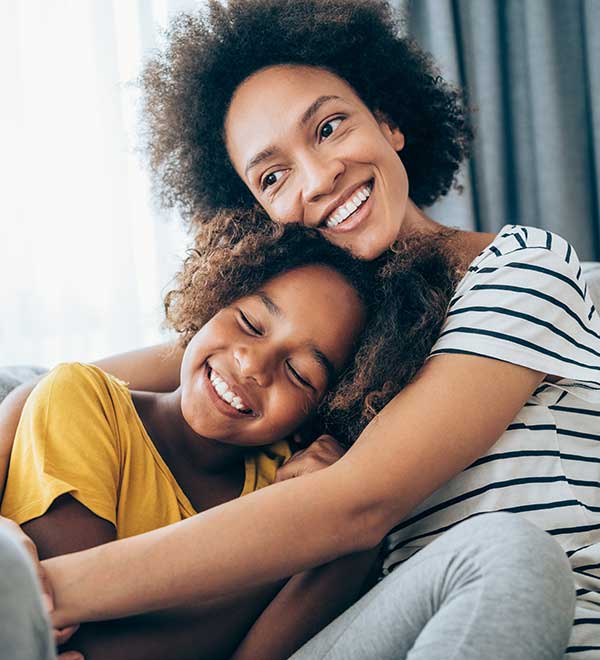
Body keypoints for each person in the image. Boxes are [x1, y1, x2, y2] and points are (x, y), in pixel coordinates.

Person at [0, 0, 582, 658]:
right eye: (272, 175)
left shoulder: (523, 267)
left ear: (388, 119)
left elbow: (359, 504)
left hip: (508, 609)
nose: (319, 175)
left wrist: (35, 593)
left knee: (510, 553)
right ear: (259, 211)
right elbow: (58, 384)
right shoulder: (326, 321)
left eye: (329, 127)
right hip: (376, 625)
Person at [3, 220, 426, 659]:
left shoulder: (293, 489)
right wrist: (287, 553)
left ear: (318, 415)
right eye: (249, 323)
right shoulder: (80, 400)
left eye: (300, 374)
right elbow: (82, 640)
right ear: (213, 298)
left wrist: (331, 519)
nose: (252, 366)